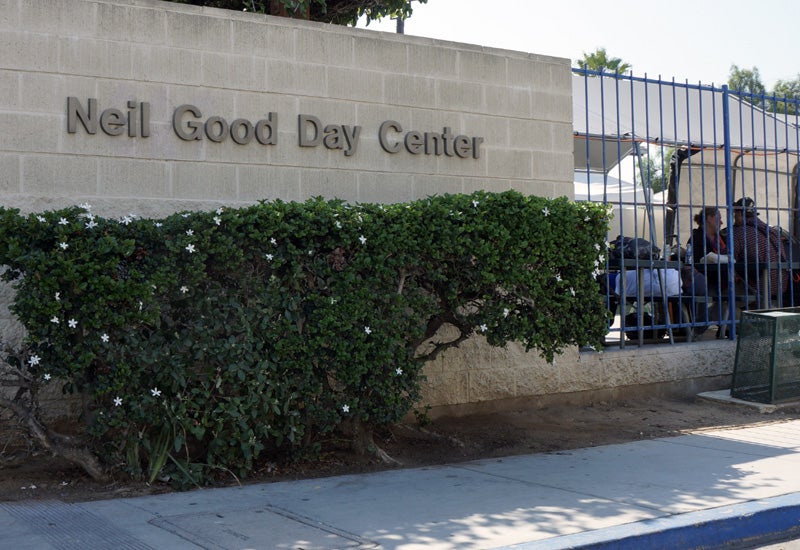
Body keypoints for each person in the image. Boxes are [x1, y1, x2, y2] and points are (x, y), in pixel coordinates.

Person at [728, 197, 789, 300]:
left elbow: (728, 257)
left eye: (735, 214)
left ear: (740, 214)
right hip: (781, 289)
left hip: (758, 290)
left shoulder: (739, 232)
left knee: (720, 293)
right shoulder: (772, 232)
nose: (734, 218)